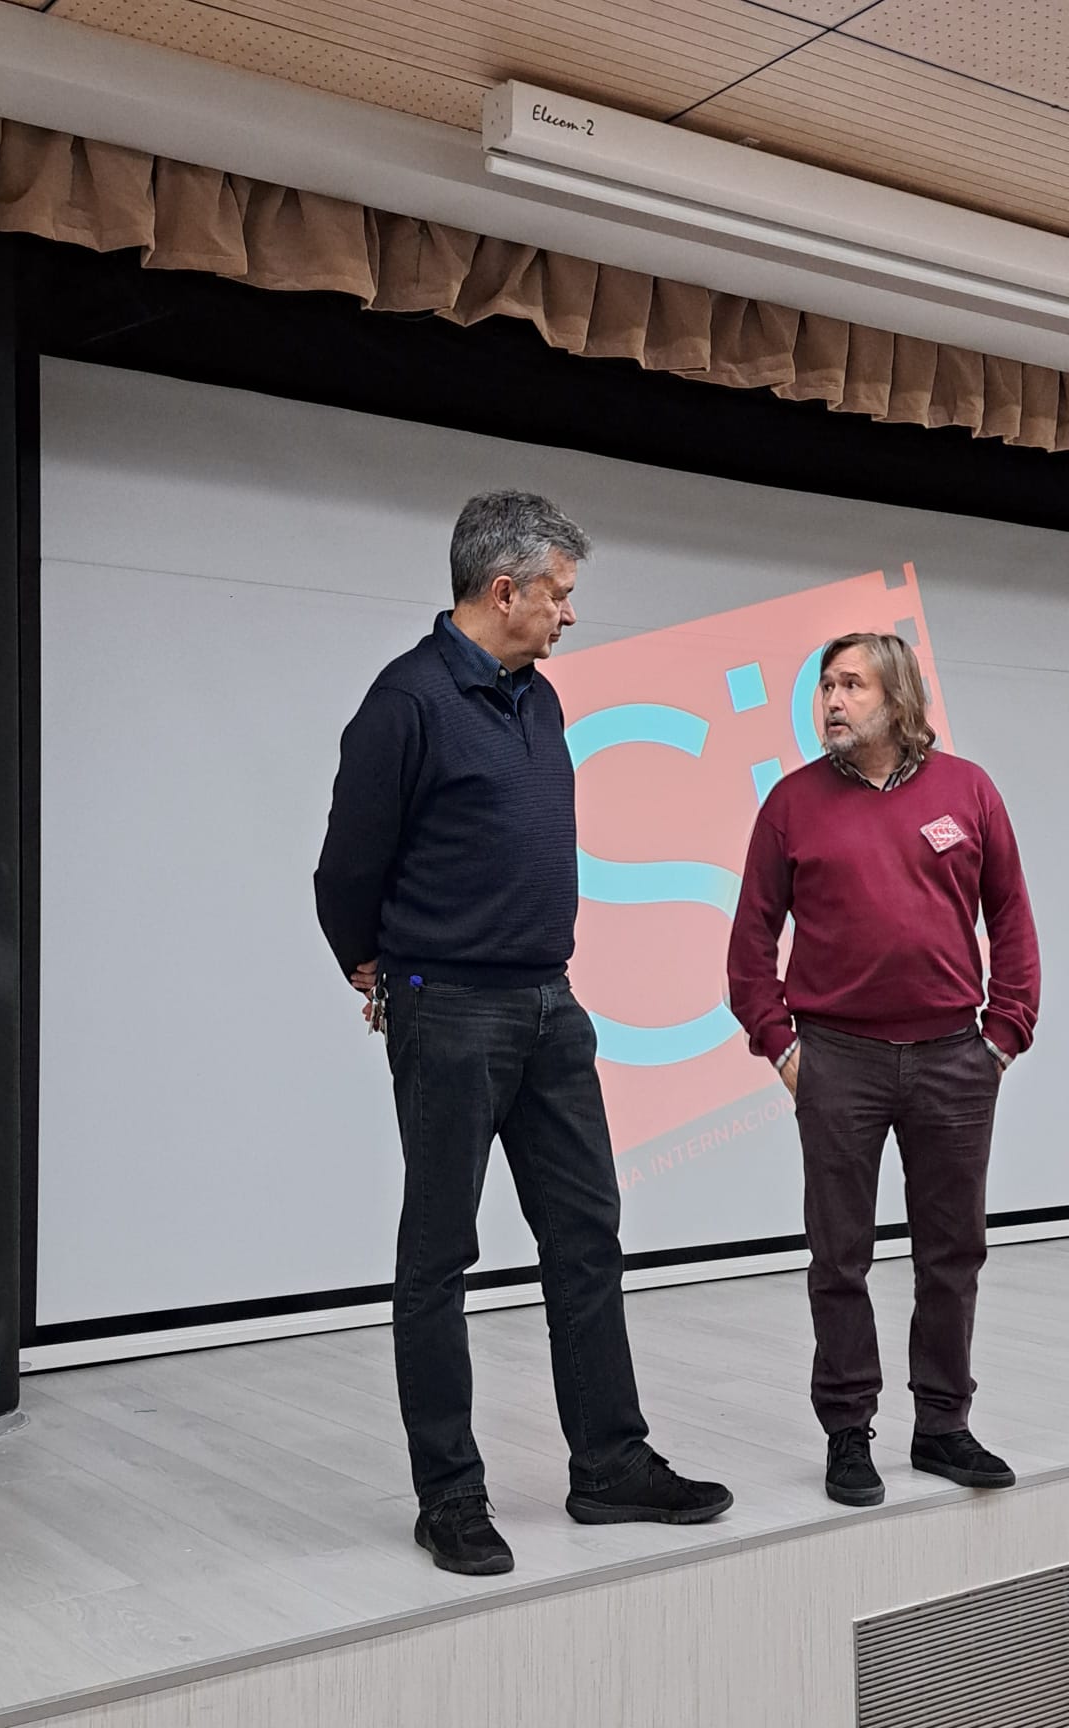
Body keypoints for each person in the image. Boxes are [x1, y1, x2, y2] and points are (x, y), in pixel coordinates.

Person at [315, 490, 733, 1577]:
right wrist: (372, 964)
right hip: (446, 1007)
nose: (568, 614)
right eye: (559, 593)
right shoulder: (404, 703)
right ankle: (450, 1495)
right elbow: (346, 870)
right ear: (503, 590)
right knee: (439, 1256)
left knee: (587, 1236)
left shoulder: (537, 701)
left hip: (551, 1007)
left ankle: (609, 1464)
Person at [727, 632, 1040, 1508]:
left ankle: (943, 1425)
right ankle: (848, 1433)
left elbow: (1011, 915)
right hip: (838, 1061)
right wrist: (784, 1049)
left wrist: (1004, 1034)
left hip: (952, 1058)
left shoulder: (968, 790)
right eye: (826, 685)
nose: (832, 699)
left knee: (953, 1252)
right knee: (841, 1256)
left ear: (898, 699)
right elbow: (749, 943)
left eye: (851, 684)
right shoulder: (791, 805)